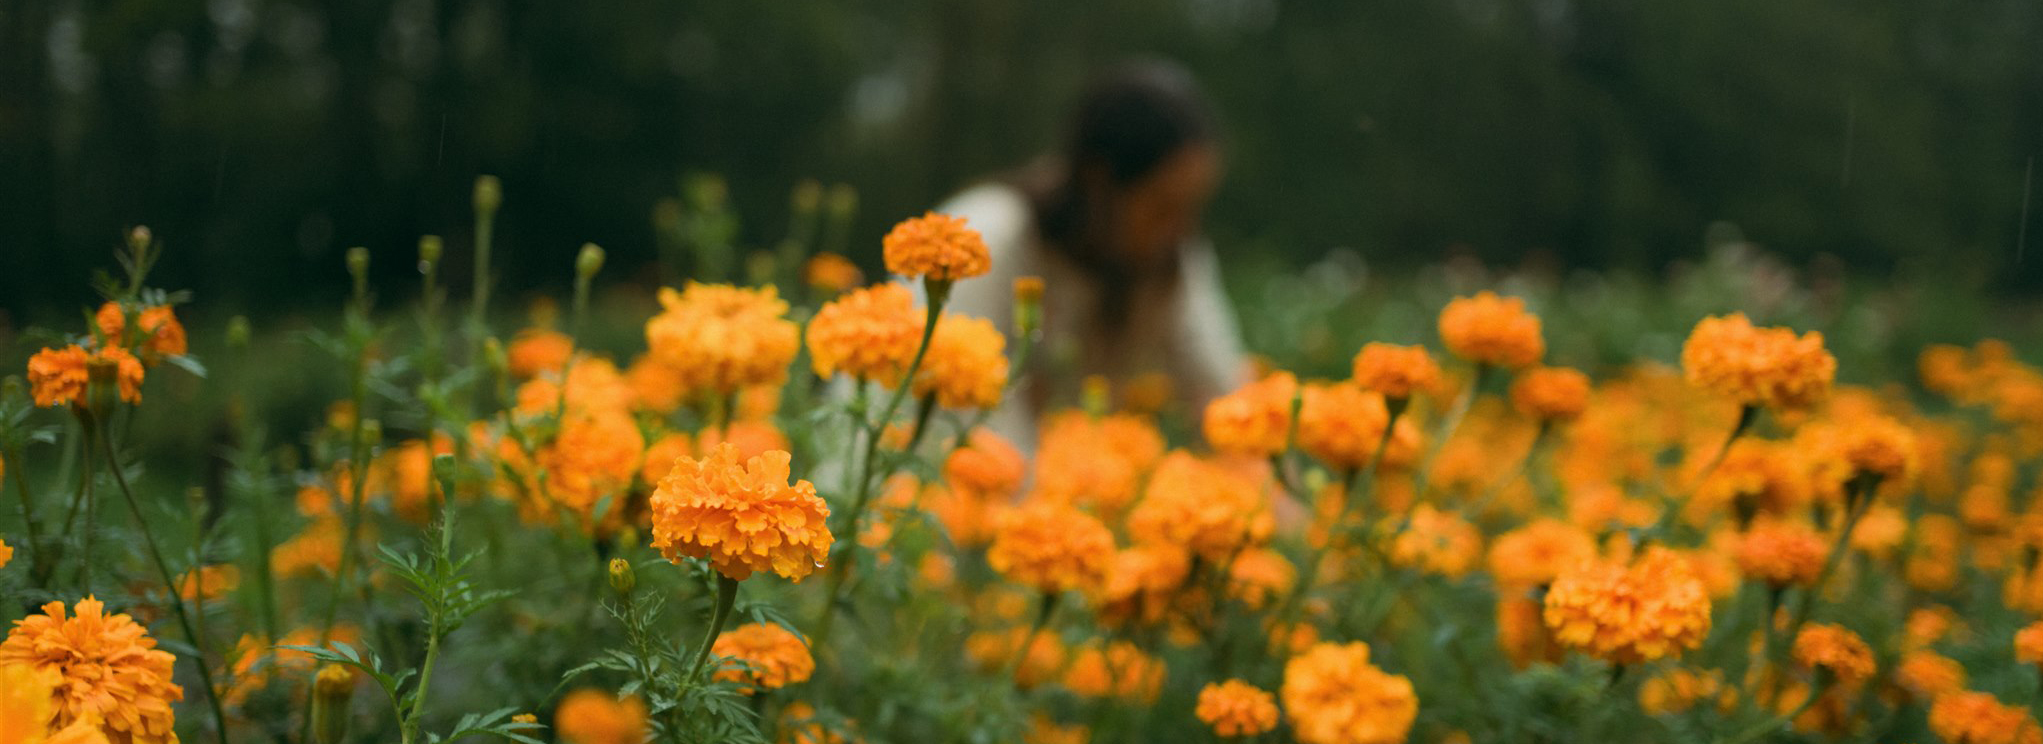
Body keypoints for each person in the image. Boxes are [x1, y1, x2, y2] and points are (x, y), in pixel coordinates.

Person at [939, 59, 1249, 451]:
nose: (1181, 230)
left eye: (1192, 208)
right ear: (1098, 182)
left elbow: (1220, 393)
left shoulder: (1171, 256)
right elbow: (962, 422)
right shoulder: (987, 237)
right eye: (1163, 207)